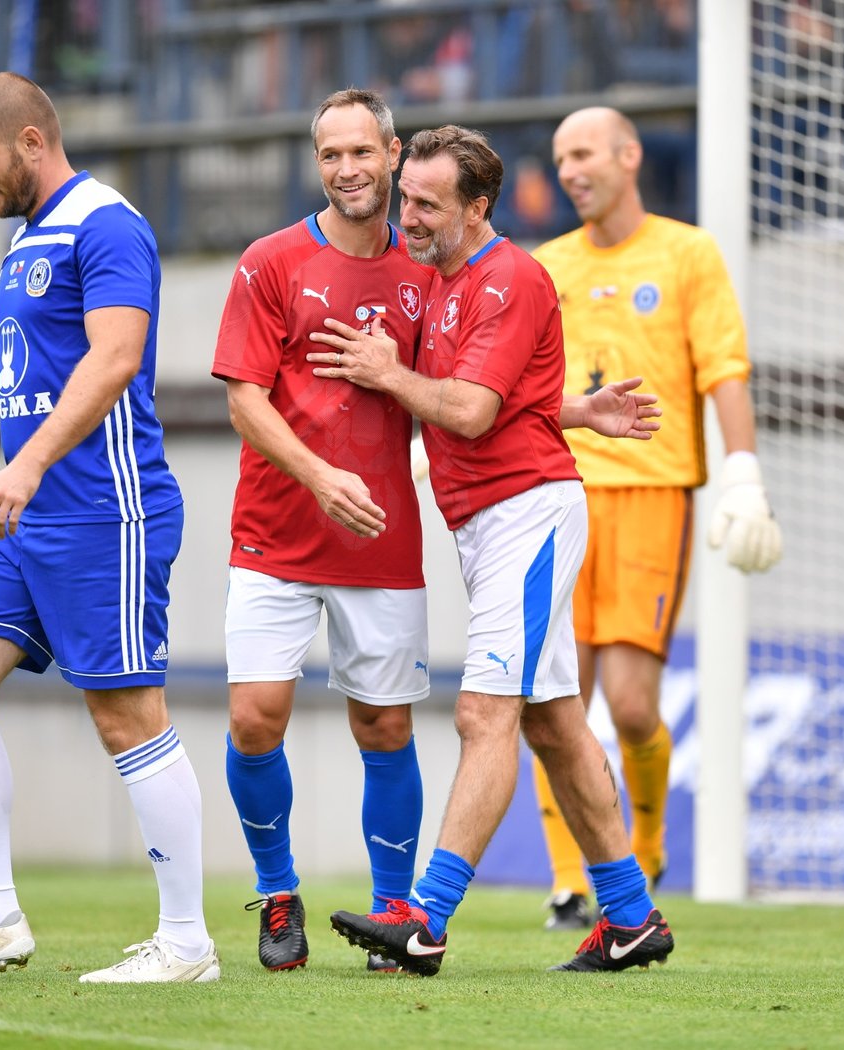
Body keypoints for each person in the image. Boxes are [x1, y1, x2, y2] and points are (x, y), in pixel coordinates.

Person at [211, 90, 661, 974]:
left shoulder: (507, 276)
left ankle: (424, 920)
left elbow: (468, 407)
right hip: (468, 523)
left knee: (480, 713)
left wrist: (385, 370)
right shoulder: (441, 279)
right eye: (405, 197)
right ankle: (633, 914)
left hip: (523, 517)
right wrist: (579, 410)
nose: (403, 213)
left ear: (474, 205)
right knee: (555, 727)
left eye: (423, 202)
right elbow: (502, 401)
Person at [0, 72, 218, 985]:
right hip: (27, 521)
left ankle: (188, 942)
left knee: (125, 715)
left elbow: (116, 359)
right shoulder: (28, 237)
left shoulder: (107, 223)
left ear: (32, 142)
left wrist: (29, 463)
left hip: (100, 509)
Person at [529, 106, 783, 931]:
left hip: (651, 496)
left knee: (632, 706)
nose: (570, 170)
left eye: (585, 153)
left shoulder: (687, 252)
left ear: (630, 157)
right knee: (549, 692)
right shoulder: (547, 264)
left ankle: (644, 844)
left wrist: (741, 473)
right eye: (561, 157)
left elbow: (725, 372)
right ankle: (572, 878)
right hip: (552, 494)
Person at [210, 87, 433, 974]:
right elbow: (243, 399)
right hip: (274, 533)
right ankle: (277, 896)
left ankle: (392, 918)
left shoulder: (428, 272)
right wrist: (321, 473)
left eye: (362, 153)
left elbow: (472, 398)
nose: (347, 170)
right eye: (330, 156)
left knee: (385, 730)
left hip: (380, 541)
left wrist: (575, 411)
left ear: (393, 153)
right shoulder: (270, 261)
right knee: (254, 719)